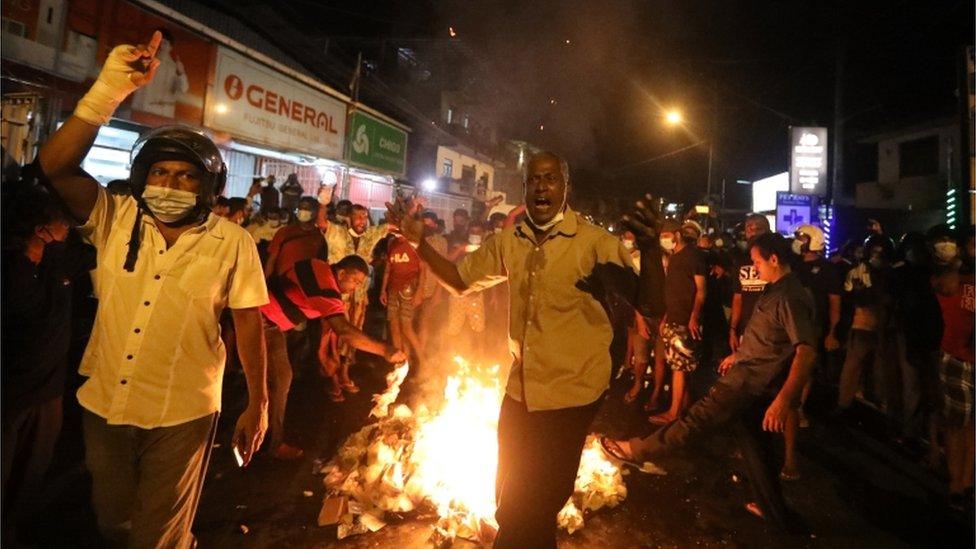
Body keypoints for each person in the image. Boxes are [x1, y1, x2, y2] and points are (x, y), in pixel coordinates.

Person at [35, 32, 269, 547]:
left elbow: (249, 322)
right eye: (160, 172)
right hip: (105, 404)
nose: (171, 184)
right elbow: (53, 167)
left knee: (157, 534)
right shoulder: (114, 217)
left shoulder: (233, 242)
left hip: (182, 411)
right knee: (112, 521)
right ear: (142, 177)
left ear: (206, 187)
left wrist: (259, 402)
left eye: (186, 177)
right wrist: (109, 90)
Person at [387, 151, 639, 548]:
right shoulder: (509, 242)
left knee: (534, 506)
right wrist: (417, 242)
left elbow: (648, 303)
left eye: (551, 178)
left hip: (571, 397)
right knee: (508, 504)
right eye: (534, 179)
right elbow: (458, 279)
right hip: (519, 393)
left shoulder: (595, 244)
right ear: (525, 188)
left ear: (565, 186)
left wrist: (655, 254)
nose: (542, 185)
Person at [602, 232, 816, 532]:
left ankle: (635, 450)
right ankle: (776, 514)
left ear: (774, 259)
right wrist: (738, 355)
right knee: (757, 451)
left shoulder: (790, 297)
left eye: (757, 262)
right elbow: (770, 340)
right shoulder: (776, 289)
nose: (755, 268)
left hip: (747, 385)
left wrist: (783, 401)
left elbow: (805, 351)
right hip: (747, 376)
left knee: (694, 420)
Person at [1, 180, 93, 543]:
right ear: (41, 231)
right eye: (62, 225)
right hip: (11, 397)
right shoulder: (15, 272)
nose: (69, 230)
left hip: (48, 396)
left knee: (31, 476)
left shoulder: (58, 262)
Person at [261, 255, 406, 459]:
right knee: (280, 379)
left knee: (276, 379)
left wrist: (325, 354)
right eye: (354, 281)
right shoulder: (325, 285)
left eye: (360, 284)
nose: (355, 288)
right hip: (260, 319)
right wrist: (386, 351)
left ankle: (261, 431)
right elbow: (344, 331)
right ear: (341, 273)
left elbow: (329, 322)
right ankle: (270, 443)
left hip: (271, 323)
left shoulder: (319, 269)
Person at [931, 227, 974, 509]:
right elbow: (942, 286)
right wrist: (957, 262)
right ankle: (955, 482)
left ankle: (968, 480)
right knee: (958, 426)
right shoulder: (954, 277)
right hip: (958, 359)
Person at [650, 220, 707, 425]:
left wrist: (694, 317)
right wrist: (666, 317)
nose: (665, 239)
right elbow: (672, 290)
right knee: (679, 366)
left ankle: (673, 413)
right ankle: (682, 409)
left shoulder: (694, 256)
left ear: (677, 234)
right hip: (673, 319)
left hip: (684, 321)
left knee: (679, 368)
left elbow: (701, 291)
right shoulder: (675, 257)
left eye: (667, 234)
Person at [380, 233, 426, 365]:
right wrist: (383, 290)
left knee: (406, 327)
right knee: (394, 325)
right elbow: (388, 268)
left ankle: (423, 361)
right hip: (393, 289)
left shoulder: (414, 243)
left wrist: (419, 291)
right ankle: (400, 361)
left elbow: (423, 269)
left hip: (408, 289)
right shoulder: (392, 242)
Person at [729, 214, 771, 353]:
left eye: (758, 228)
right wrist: (733, 329)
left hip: (770, 330)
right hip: (746, 329)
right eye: (749, 229)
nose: (752, 233)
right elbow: (738, 298)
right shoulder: (740, 262)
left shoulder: (776, 259)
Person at [129, 28, 188, 119]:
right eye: (159, 42)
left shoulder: (174, 67)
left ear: (170, 47)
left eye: (165, 43)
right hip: (142, 109)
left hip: (163, 114)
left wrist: (181, 73)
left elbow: (183, 89)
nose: (161, 46)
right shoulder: (145, 61)